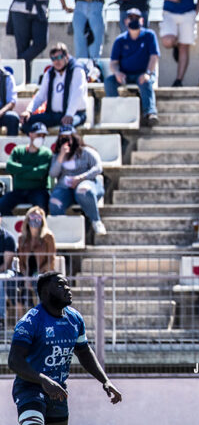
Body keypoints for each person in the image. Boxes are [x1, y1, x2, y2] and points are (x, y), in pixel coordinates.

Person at [8, 272, 122, 425]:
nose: (68, 288)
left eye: (67, 284)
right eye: (60, 285)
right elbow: (14, 361)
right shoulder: (30, 322)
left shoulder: (75, 319)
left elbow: (84, 352)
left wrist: (105, 380)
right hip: (30, 388)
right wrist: (44, 380)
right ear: (45, 292)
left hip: (58, 391)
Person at [105, 8, 160, 126]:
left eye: (136, 18)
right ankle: (115, 112)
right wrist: (117, 73)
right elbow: (113, 62)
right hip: (125, 75)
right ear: (126, 21)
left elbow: (154, 57)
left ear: (142, 20)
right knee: (109, 82)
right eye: (131, 18)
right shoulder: (120, 40)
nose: (133, 20)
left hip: (143, 73)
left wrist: (148, 73)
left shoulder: (149, 35)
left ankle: (150, 113)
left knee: (146, 81)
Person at [48, 125, 106, 235]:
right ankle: (61, 231)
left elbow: (98, 167)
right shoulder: (57, 155)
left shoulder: (86, 152)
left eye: (68, 137)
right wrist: (61, 156)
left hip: (86, 183)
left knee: (83, 190)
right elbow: (53, 174)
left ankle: (96, 220)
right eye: (62, 138)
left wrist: (80, 178)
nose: (66, 141)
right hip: (65, 188)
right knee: (54, 201)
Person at [22, 43, 88, 131]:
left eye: (59, 57)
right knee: (27, 123)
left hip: (75, 114)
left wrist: (69, 114)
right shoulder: (49, 73)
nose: (57, 61)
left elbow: (77, 93)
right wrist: (29, 111)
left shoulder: (77, 70)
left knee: (66, 128)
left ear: (67, 56)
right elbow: (41, 96)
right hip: (54, 114)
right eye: (53, 59)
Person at [0, 124, 52, 215]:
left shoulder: (46, 153)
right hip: (18, 191)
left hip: (38, 191)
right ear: (30, 134)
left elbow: (40, 173)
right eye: (38, 135)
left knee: (40, 209)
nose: (41, 138)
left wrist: (19, 172)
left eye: (43, 136)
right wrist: (31, 168)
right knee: (2, 204)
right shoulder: (18, 150)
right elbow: (10, 167)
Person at [16, 207, 57, 309]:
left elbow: (51, 260)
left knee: (38, 281)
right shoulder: (22, 239)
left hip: (43, 272)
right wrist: (26, 277)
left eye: (38, 217)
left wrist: (36, 275)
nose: (35, 220)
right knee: (15, 284)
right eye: (32, 217)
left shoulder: (48, 237)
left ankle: (42, 310)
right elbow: (21, 263)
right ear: (27, 220)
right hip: (27, 273)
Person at [0, 58, 20, 135]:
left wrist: (1, 112)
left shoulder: (7, 77)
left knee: (13, 118)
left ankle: (11, 142)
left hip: (1, 112)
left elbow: (12, 102)